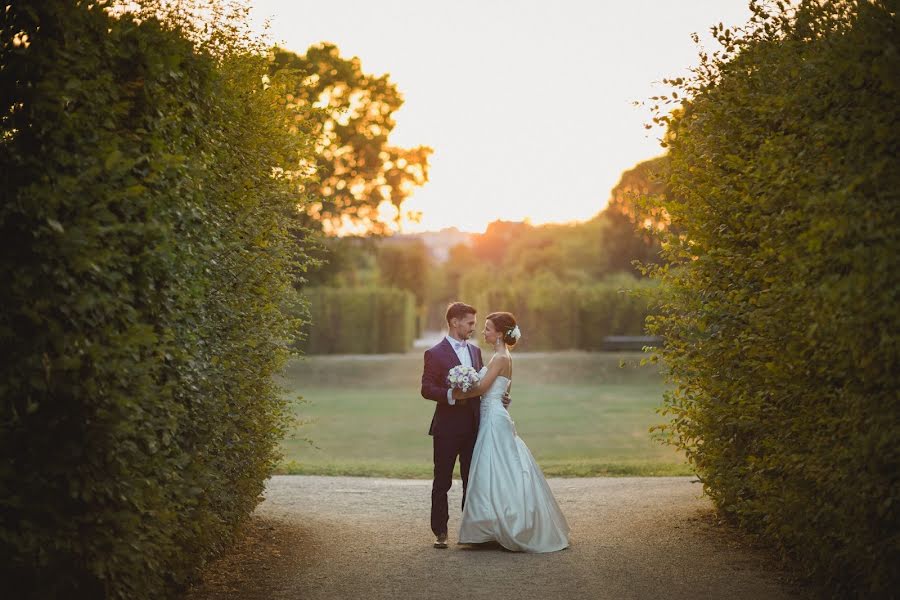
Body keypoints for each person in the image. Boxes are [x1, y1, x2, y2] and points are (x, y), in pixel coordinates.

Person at [454, 312, 570, 552]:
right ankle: (489, 526)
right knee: (496, 469)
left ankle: (501, 525)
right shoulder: (504, 356)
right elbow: (505, 392)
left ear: (499, 333)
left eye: (487, 328)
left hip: (494, 419)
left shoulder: (499, 358)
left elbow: (482, 389)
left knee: (494, 468)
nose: (483, 332)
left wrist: (456, 392)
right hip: (495, 414)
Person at [420, 302, 510, 549]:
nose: (473, 328)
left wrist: (500, 397)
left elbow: (483, 382)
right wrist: (451, 394)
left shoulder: (475, 352)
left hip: (474, 426)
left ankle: (472, 531)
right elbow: (426, 389)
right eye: (470, 323)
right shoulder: (434, 353)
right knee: (442, 481)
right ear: (454, 322)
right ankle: (440, 531)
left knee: (473, 480)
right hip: (447, 428)